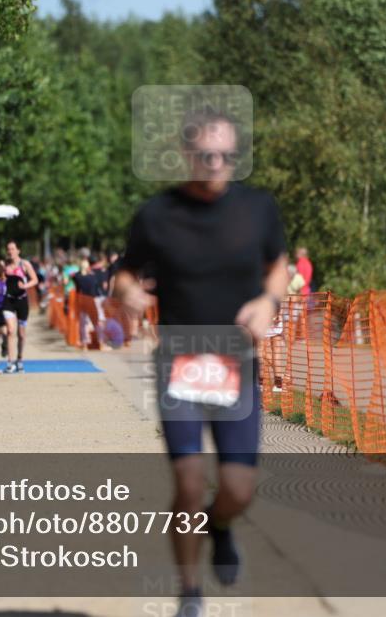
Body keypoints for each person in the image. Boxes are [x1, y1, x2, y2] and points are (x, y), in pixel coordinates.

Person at [114, 107, 287, 616]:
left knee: (238, 489)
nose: (216, 163)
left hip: (236, 366)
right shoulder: (156, 215)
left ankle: (222, 524)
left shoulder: (258, 209)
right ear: (187, 154)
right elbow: (125, 273)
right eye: (207, 154)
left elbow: (277, 265)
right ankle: (190, 594)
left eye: (226, 155)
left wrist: (268, 301)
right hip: (180, 364)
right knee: (188, 482)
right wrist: (129, 294)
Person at [1, 240, 39, 373]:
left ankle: (20, 359)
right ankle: (10, 362)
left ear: (18, 251)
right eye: (8, 249)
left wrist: (25, 285)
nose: (10, 251)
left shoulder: (25, 264)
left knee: (21, 334)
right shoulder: (4, 264)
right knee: (10, 331)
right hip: (9, 300)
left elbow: (35, 279)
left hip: (22, 301)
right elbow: (1, 279)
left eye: (12, 249)